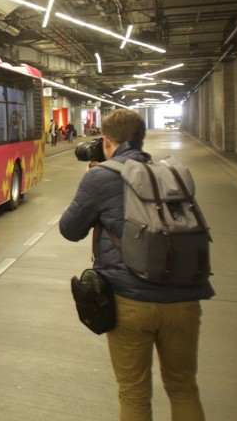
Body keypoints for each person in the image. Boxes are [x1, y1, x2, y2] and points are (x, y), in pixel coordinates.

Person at [59, 109, 214, 420]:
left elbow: (70, 229)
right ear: (141, 139)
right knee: (183, 387)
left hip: (131, 299)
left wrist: (93, 176)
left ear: (106, 141)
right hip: (185, 299)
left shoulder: (100, 177)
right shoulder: (171, 173)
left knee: (134, 392)